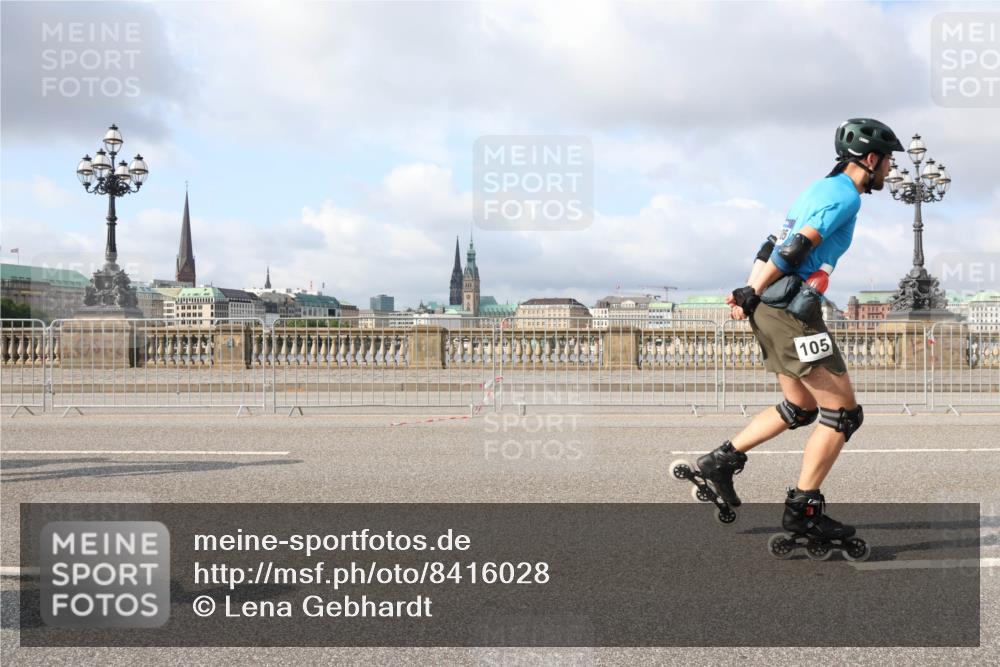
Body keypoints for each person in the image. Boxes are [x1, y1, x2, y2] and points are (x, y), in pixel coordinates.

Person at [698, 118, 904, 540]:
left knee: (801, 407)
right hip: (790, 315)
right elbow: (796, 248)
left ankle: (721, 462)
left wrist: (748, 292)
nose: (890, 170)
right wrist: (752, 291)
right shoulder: (846, 196)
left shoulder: (816, 188)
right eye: (887, 162)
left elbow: (770, 244)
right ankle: (803, 510)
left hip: (774, 308)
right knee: (843, 413)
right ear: (870, 159)